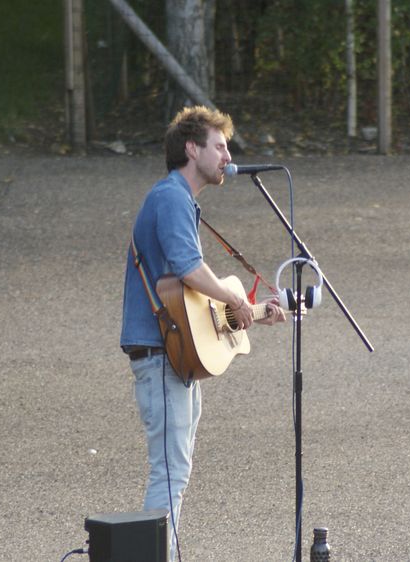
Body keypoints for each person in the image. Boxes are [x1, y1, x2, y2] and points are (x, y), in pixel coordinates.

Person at [120, 106, 285, 559]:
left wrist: (252, 312)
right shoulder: (171, 197)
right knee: (170, 473)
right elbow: (190, 271)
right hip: (160, 355)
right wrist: (235, 301)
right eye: (219, 145)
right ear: (191, 149)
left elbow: (193, 302)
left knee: (176, 471)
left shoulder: (178, 200)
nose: (227, 155)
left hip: (174, 355)